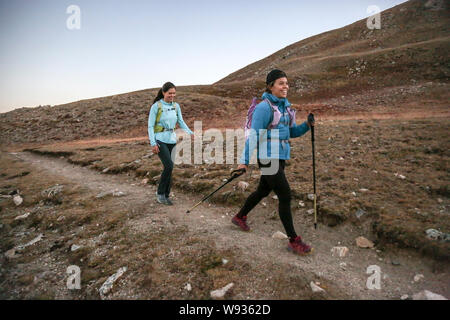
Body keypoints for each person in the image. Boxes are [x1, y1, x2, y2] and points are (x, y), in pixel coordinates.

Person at [232, 69, 315, 255]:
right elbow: (254, 136)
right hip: (267, 156)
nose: (285, 86)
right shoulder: (264, 107)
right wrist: (243, 161)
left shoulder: (286, 108)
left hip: (281, 156)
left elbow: (291, 133)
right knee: (285, 194)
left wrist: (306, 126)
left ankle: (239, 217)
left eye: (286, 83)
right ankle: (294, 240)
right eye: (280, 83)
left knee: (262, 190)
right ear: (270, 86)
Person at [148, 82, 193, 205]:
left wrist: (190, 132)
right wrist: (153, 143)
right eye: (169, 93)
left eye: (174, 93)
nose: (172, 95)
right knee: (168, 166)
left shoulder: (176, 106)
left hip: (172, 140)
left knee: (170, 168)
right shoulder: (156, 106)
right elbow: (150, 126)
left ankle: (166, 195)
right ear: (163, 92)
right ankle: (160, 193)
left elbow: (181, 121)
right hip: (160, 139)